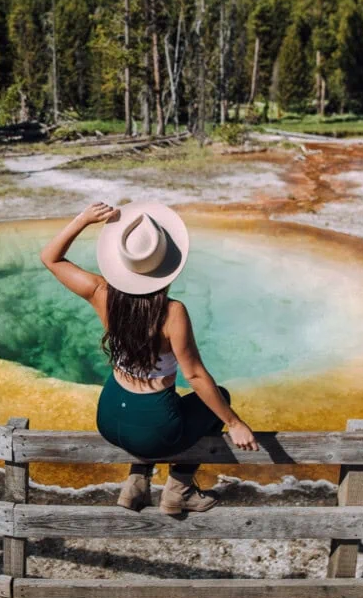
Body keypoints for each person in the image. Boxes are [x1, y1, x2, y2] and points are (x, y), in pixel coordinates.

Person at [40, 199, 258, 515]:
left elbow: (50, 258)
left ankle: (136, 484)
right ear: (167, 265)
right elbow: (195, 376)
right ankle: (178, 492)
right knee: (217, 399)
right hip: (152, 429)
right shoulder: (172, 313)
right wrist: (234, 423)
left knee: (154, 419)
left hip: (110, 415)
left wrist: (83, 220)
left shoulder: (101, 293)